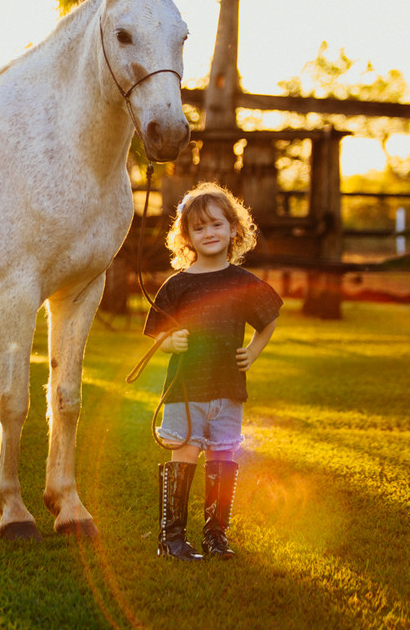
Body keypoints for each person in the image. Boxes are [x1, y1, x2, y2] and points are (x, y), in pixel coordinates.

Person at [143, 182, 281, 561]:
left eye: (217, 225)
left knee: (222, 458)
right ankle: (171, 540)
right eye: (199, 228)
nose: (209, 233)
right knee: (184, 455)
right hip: (186, 390)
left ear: (234, 229)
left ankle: (215, 538)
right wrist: (170, 342)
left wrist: (252, 351)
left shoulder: (243, 283)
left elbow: (269, 319)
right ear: (186, 236)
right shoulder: (178, 285)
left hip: (228, 389)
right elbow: (157, 334)